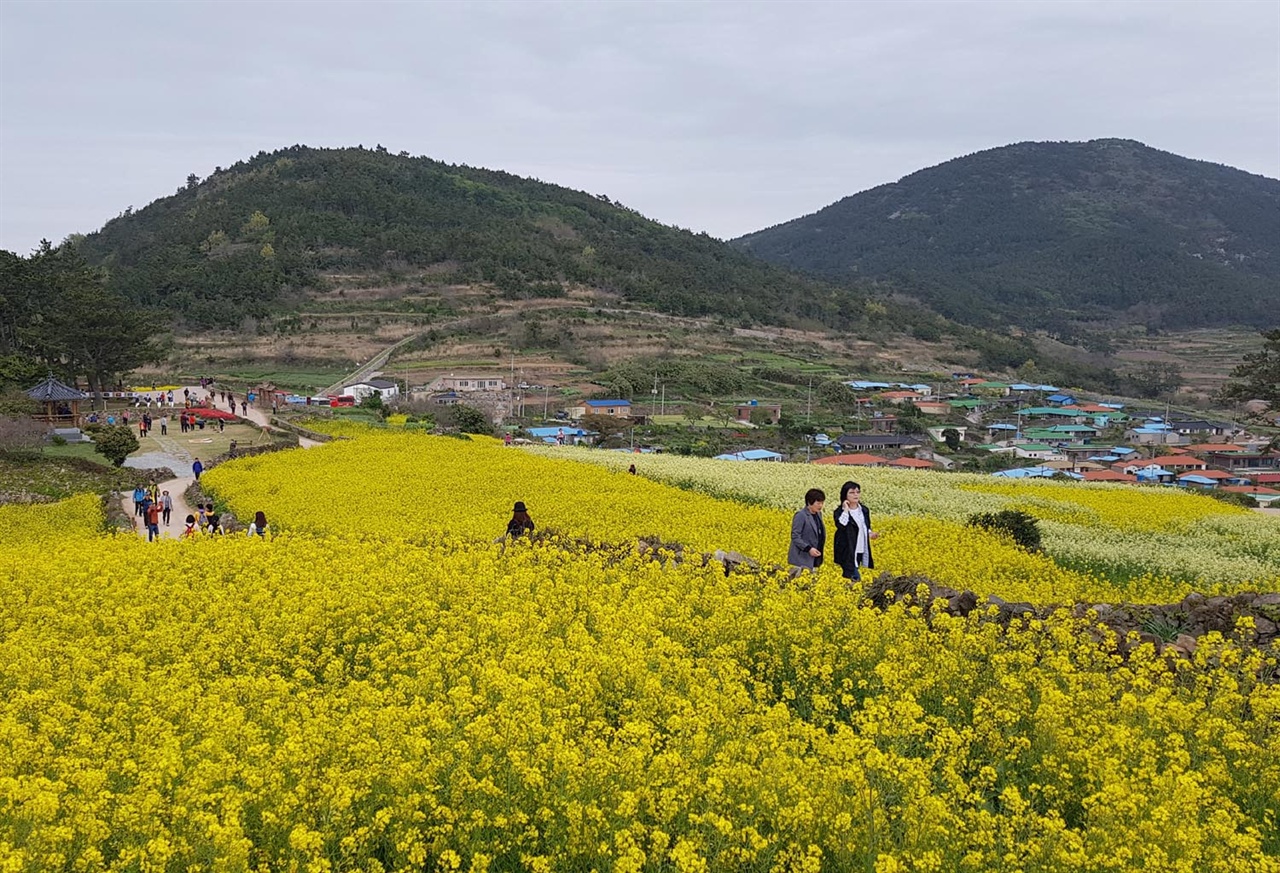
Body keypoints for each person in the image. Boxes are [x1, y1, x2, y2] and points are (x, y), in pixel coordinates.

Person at [832, 481, 879, 581]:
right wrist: (846, 509)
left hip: (861, 548)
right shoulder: (839, 512)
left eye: (858, 492)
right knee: (854, 577)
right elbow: (841, 525)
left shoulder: (864, 510)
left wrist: (870, 533)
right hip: (847, 550)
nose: (856, 495)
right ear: (845, 495)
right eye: (852, 493)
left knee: (854, 577)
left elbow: (866, 526)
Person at [788, 488, 826, 575]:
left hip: (815, 558)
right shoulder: (801, 515)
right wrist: (808, 549)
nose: (821, 506)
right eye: (818, 503)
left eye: (822, 503)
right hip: (802, 558)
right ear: (809, 502)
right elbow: (795, 536)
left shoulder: (818, 514)